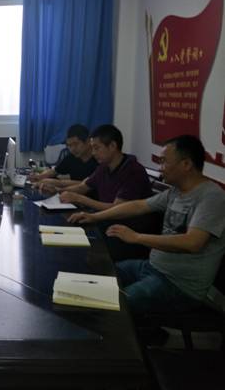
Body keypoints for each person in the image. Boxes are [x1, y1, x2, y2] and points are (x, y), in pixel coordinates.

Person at [68, 135, 225, 316]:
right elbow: (138, 205)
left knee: (112, 305)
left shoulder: (212, 197)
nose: (160, 167)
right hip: (152, 267)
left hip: (178, 285)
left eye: (164, 162)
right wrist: (94, 217)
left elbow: (193, 243)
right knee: (98, 271)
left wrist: (137, 237)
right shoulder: (176, 191)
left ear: (186, 164)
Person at [54, 124, 153, 211]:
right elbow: (83, 187)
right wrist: (56, 190)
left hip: (126, 224)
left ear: (112, 146)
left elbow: (117, 209)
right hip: (105, 219)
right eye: (92, 148)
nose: (93, 153)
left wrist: (79, 199)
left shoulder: (133, 171)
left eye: (96, 148)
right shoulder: (103, 167)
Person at [30, 124, 98, 191]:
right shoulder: (71, 157)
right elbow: (55, 171)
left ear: (88, 141)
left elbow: (89, 184)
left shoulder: (99, 159)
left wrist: (59, 183)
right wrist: (38, 177)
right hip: (73, 193)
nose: (72, 149)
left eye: (76, 144)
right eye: (69, 145)